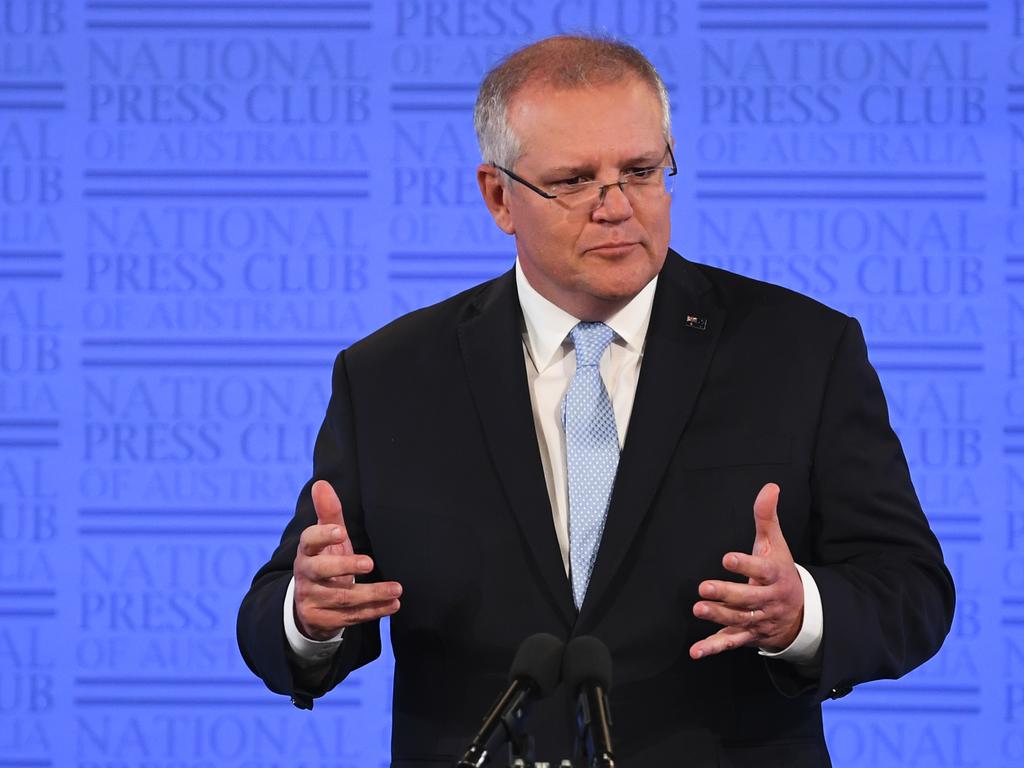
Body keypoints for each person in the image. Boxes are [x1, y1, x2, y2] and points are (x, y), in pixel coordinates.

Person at [237, 35, 955, 767]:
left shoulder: (800, 350)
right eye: (576, 181)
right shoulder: (389, 376)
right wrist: (309, 616)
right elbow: (277, 616)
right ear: (498, 196)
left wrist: (804, 613)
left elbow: (912, 591)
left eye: (641, 171)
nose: (616, 207)